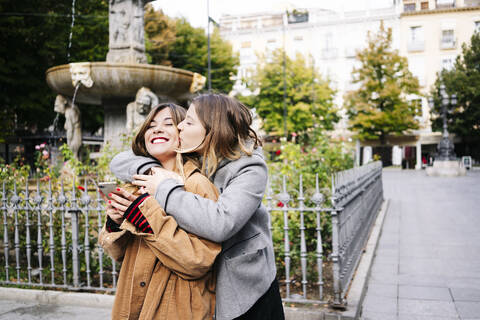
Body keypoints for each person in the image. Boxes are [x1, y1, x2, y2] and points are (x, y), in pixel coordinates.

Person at [110, 93, 285, 320]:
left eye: (189, 122)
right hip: (198, 282)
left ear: (213, 130)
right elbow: (121, 159)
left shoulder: (249, 167)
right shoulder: (190, 156)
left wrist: (164, 187)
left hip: (244, 284)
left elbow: (222, 223)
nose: (180, 126)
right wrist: (154, 171)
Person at [99, 103, 220, 320]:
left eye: (168, 124)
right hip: (132, 306)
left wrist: (146, 219)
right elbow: (119, 254)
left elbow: (199, 261)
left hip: (177, 308)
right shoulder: (136, 185)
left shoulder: (197, 185)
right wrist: (114, 223)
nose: (156, 129)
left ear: (184, 131)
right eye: (151, 125)